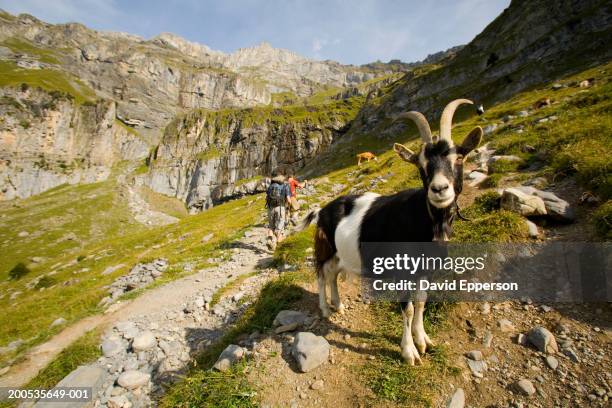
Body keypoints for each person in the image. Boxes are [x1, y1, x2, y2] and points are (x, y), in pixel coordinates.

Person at [265, 172, 291, 250]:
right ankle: (278, 246)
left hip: (270, 208)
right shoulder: (285, 185)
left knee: (271, 226)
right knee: (280, 227)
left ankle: (269, 239)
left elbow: (266, 198)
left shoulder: (270, 186)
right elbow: (289, 200)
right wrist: (288, 207)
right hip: (280, 208)